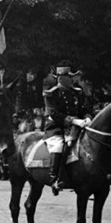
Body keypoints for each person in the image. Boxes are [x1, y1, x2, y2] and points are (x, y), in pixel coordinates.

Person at [42, 58, 90, 195]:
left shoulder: (77, 92)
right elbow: (53, 113)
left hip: (77, 127)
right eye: (69, 77)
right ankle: (55, 179)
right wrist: (74, 121)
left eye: (73, 77)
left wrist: (87, 117)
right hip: (56, 128)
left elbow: (84, 108)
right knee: (58, 146)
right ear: (61, 78)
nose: (72, 79)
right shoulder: (51, 93)